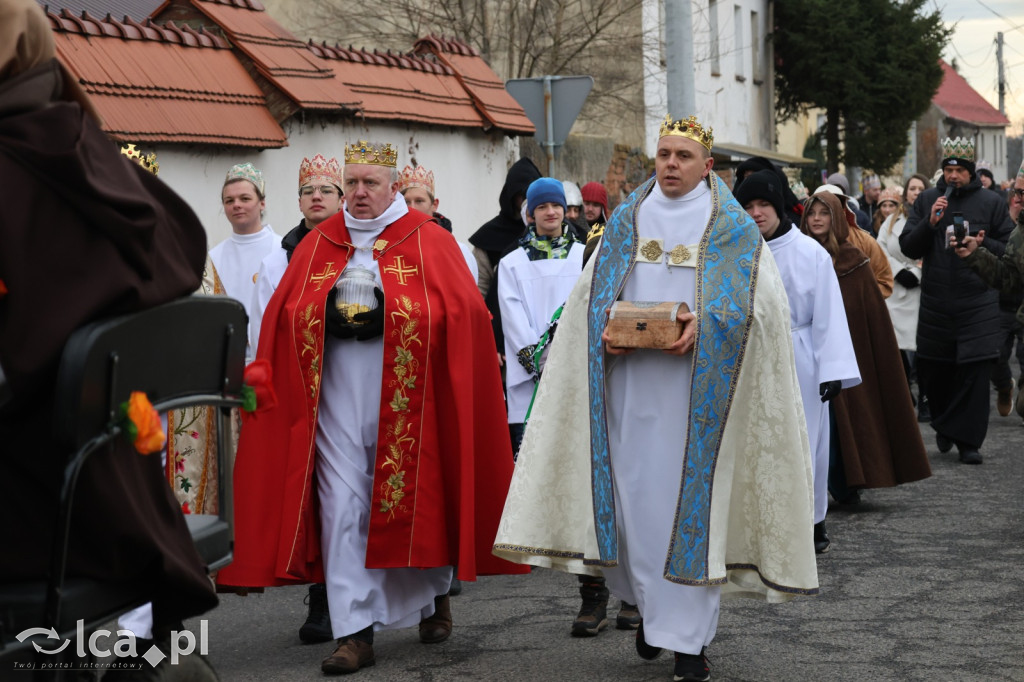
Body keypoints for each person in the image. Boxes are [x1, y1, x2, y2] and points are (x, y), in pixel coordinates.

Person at [494, 114, 819, 682]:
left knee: (689, 515)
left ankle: (688, 644)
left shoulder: (732, 231)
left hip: (700, 406)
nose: (670, 164)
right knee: (634, 510)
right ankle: (649, 613)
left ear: (706, 166)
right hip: (632, 394)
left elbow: (765, 311)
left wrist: (710, 326)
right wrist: (604, 332)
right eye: (664, 154)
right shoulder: (625, 221)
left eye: (683, 156)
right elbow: (590, 299)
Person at [217, 140, 528, 675]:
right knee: (342, 511)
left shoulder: (431, 241)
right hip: (334, 405)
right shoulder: (318, 245)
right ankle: (354, 632)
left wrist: (399, 317)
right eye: (351, 184)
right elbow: (285, 315)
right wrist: (321, 319)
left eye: (370, 184)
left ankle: (433, 596)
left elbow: (466, 316)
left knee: (412, 507)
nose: (359, 195)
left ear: (391, 186)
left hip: (412, 407)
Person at [0, 0, 216, 652]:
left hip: (31, 504)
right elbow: (178, 251)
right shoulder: (84, 141)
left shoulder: (10, 170)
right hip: (115, 484)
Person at [735, 170, 860, 555]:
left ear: (779, 207)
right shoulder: (736, 251)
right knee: (754, 439)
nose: (756, 213)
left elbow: (828, 313)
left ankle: (812, 519)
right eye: (748, 206)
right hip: (749, 357)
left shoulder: (810, 254)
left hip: (799, 355)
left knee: (806, 438)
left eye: (763, 205)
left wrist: (833, 369)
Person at [800, 191, 930, 506]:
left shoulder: (854, 260)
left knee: (848, 418)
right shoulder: (795, 256)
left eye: (824, 213)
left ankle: (847, 482)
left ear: (836, 218)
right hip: (803, 351)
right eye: (812, 213)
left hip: (847, 353)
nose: (817, 219)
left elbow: (871, 313)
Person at [900, 137, 1015, 464]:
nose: (953, 176)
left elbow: (1008, 248)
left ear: (970, 172)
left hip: (977, 301)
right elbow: (908, 246)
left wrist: (982, 243)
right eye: (948, 170)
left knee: (974, 373)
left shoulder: (991, 202)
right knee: (935, 371)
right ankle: (945, 424)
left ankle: (969, 442)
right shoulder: (927, 200)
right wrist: (930, 222)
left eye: (959, 171)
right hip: (937, 301)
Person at [956, 159, 1024, 420]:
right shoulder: (1020, 234)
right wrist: (976, 253)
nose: (1018, 199)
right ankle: (1008, 389)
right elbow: (1007, 277)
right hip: (1009, 310)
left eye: (1023, 193)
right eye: (1015, 192)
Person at [469, 157, 542, 357]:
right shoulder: (489, 239)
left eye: (533, 193)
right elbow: (479, 295)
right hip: (503, 340)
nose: (527, 201)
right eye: (521, 194)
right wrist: (488, 339)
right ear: (511, 196)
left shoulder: (558, 236)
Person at [209, 162, 280, 360]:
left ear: (262, 203)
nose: (236, 205)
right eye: (229, 200)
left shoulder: (282, 250)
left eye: (245, 198)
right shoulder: (213, 257)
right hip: (227, 356)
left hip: (270, 354)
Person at [877, 176, 929, 421]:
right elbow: (880, 250)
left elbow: (937, 249)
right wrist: (898, 272)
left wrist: (917, 272)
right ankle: (905, 392)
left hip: (923, 290)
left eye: (921, 189)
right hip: (896, 290)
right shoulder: (891, 221)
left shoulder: (933, 219)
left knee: (923, 347)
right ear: (906, 193)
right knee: (896, 345)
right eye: (912, 188)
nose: (916, 193)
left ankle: (928, 398)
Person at [398, 164, 479, 284]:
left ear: (434, 205)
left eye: (419, 201)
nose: (412, 208)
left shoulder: (458, 251)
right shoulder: (389, 246)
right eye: (406, 202)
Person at [814, 184, 894, 298]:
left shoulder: (865, 241)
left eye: (832, 207)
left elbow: (885, 282)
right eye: (814, 211)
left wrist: (856, 297)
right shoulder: (803, 245)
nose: (818, 217)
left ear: (843, 209)